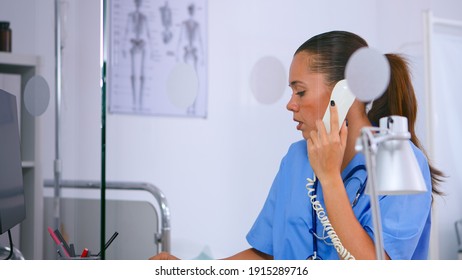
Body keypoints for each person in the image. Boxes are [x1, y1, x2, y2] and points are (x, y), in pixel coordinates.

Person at [150, 30, 444, 260]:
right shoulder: (296, 159)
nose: (290, 105)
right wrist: (190, 270)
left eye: (300, 92)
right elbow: (267, 255)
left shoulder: (399, 158)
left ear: (346, 90)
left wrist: (329, 179)